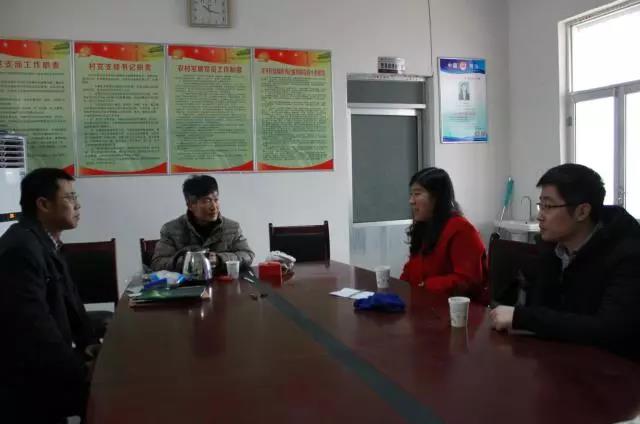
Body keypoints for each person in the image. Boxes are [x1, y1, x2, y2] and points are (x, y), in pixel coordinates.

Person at [490, 164, 640, 359]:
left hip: (615, 368)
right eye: (540, 205)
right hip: (561, 360)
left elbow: (610, 330)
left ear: (582, 212)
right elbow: (543, 309)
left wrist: (523, 318)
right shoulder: (553, 249)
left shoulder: (628, 254)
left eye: (548, 206)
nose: (539, 216)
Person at [0, 168, 98, 423]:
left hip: (46, 365)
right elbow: (35, 328)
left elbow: (71, 302)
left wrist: (92, 346)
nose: (77, 205)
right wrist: (80, 371)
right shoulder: (21, 250)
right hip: (27, 383)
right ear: (43, 204)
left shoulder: (45, 242)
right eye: (70, 198)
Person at [400, 167, 487, 299]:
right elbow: (412, 268)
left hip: (457, 307)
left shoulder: (462, 229)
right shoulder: (425, 225)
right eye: (411, 194)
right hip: (425, 302)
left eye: (417, 194)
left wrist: (426, 286)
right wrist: (399, 287)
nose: (411, 201)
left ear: (437, 197)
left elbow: (467, 280)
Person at [152, 175, 254, 273]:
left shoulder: (232, 228)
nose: (214, 207)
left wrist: (219, 259)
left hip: (223, 282)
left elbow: (247, 255)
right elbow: (158, 263)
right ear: (190, 205)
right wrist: (191, 261)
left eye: (216, 200)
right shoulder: (171, 230)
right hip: (187, 283)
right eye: (207, 201)